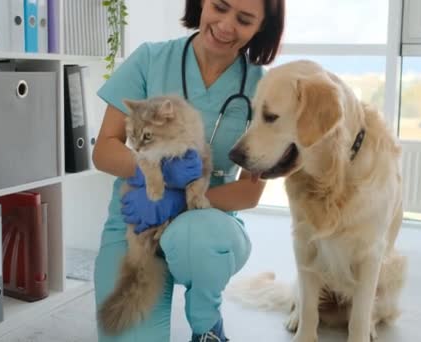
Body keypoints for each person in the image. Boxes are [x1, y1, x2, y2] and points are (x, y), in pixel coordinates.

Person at [92, 0, 285, 341]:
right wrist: (151, 176)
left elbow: (250, 192)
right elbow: (104, 149)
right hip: (136, 219)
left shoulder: (263, 89)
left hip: (207, 225)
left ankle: (207, 325)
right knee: (124, 324)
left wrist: (180, 200)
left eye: (243, 19)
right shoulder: (150, 60)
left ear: (261, 27)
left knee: (197, 238)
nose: (226, 26)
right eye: (219, 7)